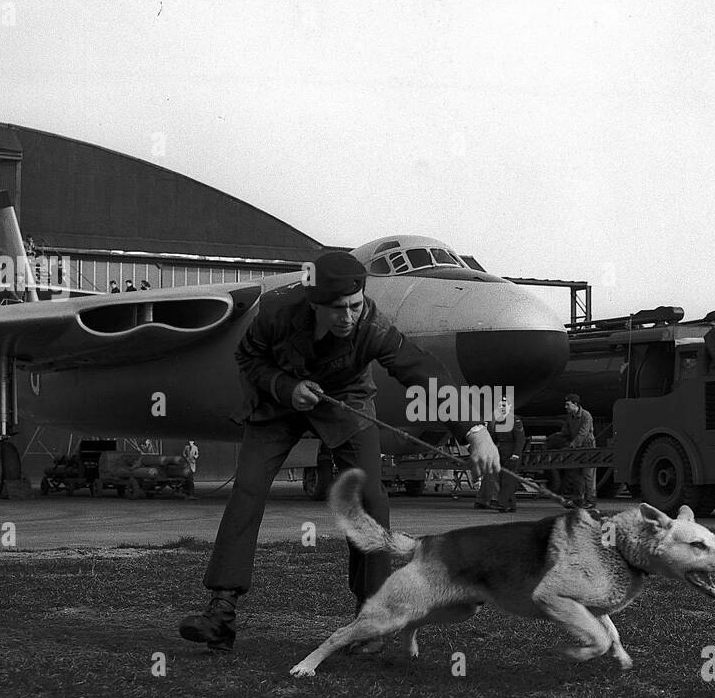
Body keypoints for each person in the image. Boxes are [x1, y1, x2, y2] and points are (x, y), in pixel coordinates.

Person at [175, 250, 500, 651]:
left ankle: (373, 617)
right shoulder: (276, 311)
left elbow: (421, 369)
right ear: (314, 304)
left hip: (346, 400)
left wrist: (475, 429)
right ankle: (221, 611)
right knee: (247, 491)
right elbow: (249, 358)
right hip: (276, 402)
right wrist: (285, 388)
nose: (348, 317)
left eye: (355, 305)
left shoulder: (373, 324)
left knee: (370, 499)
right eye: (338, 309)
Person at [476, 397, 525, 512]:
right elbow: (494, 439)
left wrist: (516, 454)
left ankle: (503, 504)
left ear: (510, 407)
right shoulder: (498, 421)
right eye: (500, 406)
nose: (501, 408)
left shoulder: (515, 420)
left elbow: (520, 440)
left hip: (511, 453)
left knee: (508, 479)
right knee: (504, 479)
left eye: (504, 405)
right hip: (501, 452)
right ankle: (510, 505)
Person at [556, 393, 596, 509]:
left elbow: (583, 433)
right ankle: (578, 500)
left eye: (568, 404)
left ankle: (590, 500)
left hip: (587, 448)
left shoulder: (586, 416)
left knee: (588, 475)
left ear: (575, 404)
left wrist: (572, 445)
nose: (566, 407)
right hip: (576, 449)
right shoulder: (570, 416)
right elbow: (565, 431)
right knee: (576, 474)